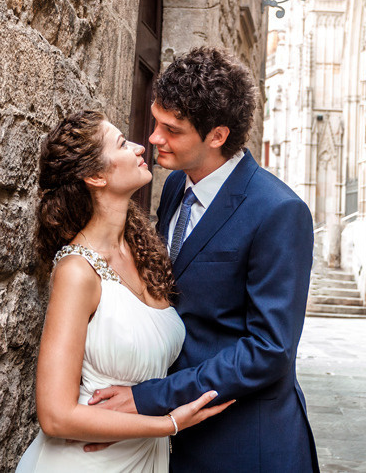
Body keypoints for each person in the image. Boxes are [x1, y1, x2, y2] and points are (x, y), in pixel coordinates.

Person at [87, 47, 320, 472]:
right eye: (156, 122)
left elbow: (269, 350)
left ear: (217, 136)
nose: (154, 138)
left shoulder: (279, 211)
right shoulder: (175, 186)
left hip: (245, 444)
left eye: (171, 130)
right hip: (176, 439)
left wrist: (149, 398)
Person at [16, 111, 232, 472]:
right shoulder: (76, 272)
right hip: (87, 462)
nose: (139, 147)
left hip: (145, 459)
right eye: (121, 144)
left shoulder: (144, 252)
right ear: (96, 176)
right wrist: (169, 424)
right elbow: (55, 416)